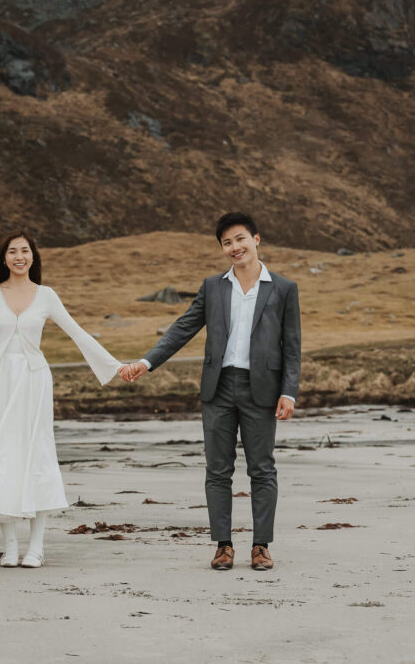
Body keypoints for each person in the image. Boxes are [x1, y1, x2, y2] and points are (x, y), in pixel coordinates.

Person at [121, 212, 301, 572]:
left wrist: (289, 392)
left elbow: (292, 346)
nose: (235, 247)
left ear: (256, 239)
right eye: (227, 243)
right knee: (218, 471)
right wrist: (147, 362)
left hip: (261, 390)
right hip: (218, 389)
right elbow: (182, 328)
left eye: (240, 239)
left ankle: (261, 546)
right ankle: (223, 546)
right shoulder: (213, 287)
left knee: (262, 470)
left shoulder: (283, 288)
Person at [0, 229, 126, 568]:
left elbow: (77, 333)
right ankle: (11, 546)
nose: (19, 256)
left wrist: (116, 367)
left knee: (36, 457)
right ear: (4, 258)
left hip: (33, 384)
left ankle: (37, 547)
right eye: (13, 251)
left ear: (33, 257)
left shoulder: (46, 295)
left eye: (25, 251)